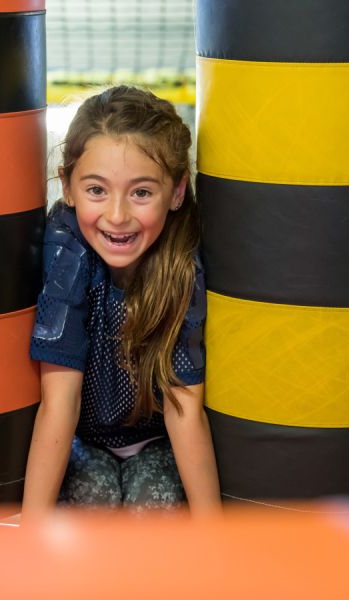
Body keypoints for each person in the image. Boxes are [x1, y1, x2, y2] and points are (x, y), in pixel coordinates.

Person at [23, 86, 220, 515]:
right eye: (97, 190)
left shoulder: (180, 261)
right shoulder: (67, 250)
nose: (117, 215)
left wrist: (214, 539)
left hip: (156, 442)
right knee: (92, 501)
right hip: (85, 440)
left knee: (153, 506)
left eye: (141, 193)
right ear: (67, 188)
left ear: (177, 192)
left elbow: (184, 409)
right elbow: (60, 402)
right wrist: (31, 537)